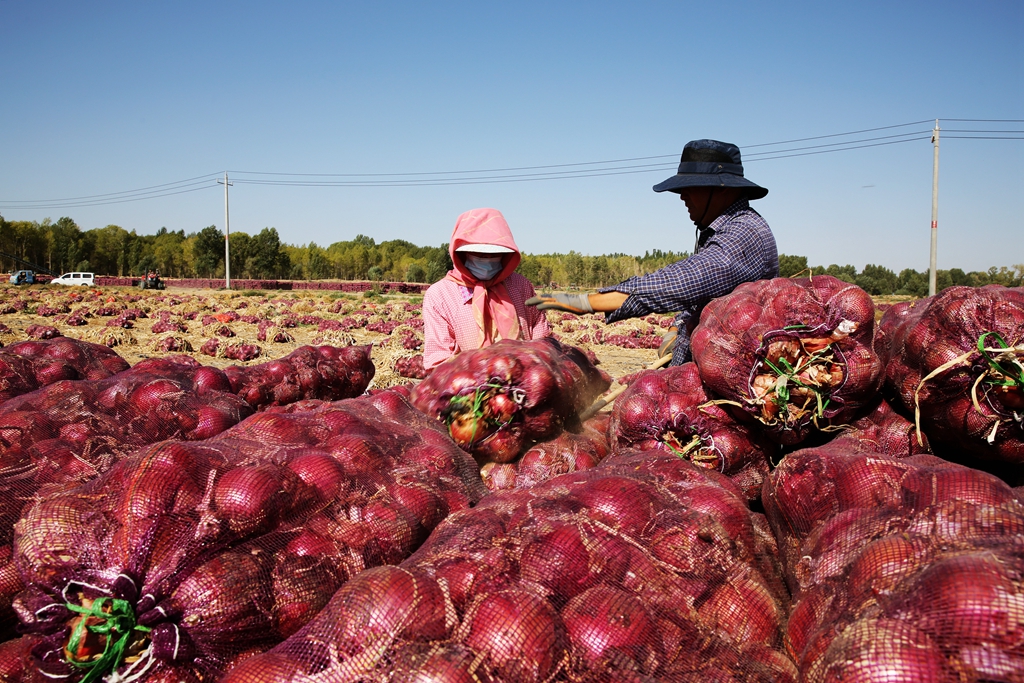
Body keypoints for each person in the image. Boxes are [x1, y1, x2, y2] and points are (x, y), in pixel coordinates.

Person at [527, 139, 779, 366]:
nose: (682, 197)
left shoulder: (745, 231)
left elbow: (686, 281)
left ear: (723, 188)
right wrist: (677, 325)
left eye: (691, 187)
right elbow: (704, 294)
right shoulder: (723, 228)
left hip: (732, 374)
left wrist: (587, 303)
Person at [422, 207, 551, 369]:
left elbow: (543, 344)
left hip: (525, 379)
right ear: (462, 253)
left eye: (495, 253)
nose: (488, 259)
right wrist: (480, 372)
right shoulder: (440, 295)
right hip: (468, 383)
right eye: (480, 254)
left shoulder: (521, 286)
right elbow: (438, 361)